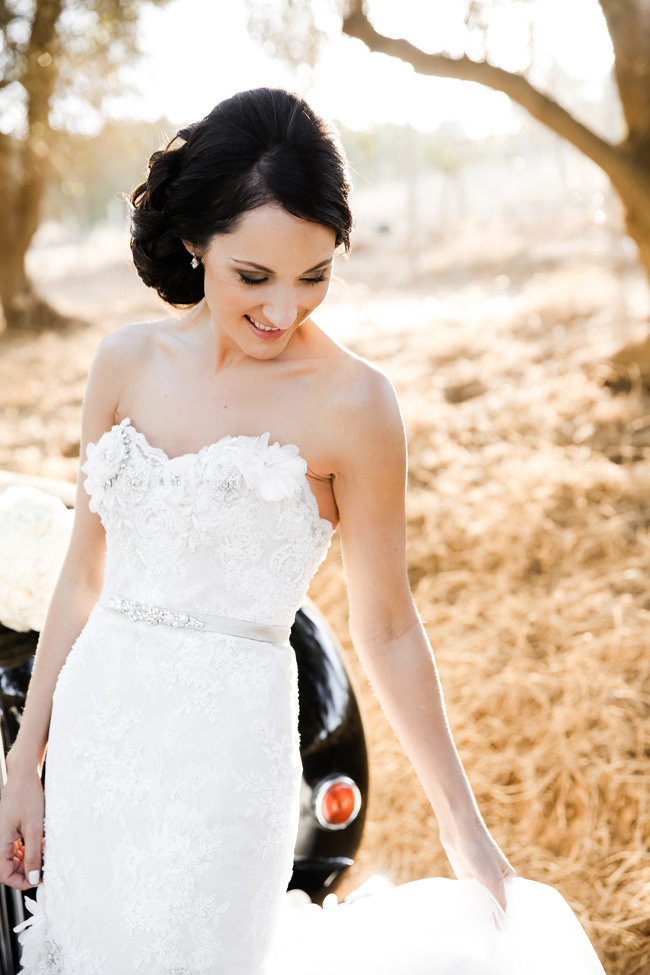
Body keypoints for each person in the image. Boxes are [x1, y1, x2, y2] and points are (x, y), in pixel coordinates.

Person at [0, 87, 605, 974]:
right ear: (196, 240)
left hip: (228, 759)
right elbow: (83, 576)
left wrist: (459, 822)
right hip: (100, 739)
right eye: (256, 276)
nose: (285, 311)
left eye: (314, 275)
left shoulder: (357, 403)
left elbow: (388, 625)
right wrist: (26, 762)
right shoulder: (123, 363)